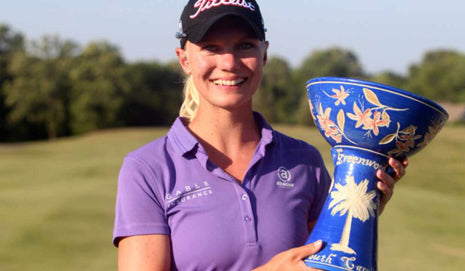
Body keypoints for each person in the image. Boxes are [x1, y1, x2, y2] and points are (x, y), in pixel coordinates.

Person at [113, 1, 408, 270]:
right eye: (211, 47)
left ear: (264, 54)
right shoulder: (147, 169)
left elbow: (324, 261)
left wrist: (361, 207)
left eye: (244, 46)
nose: (229, 62)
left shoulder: (304, 161)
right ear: (184, 59)